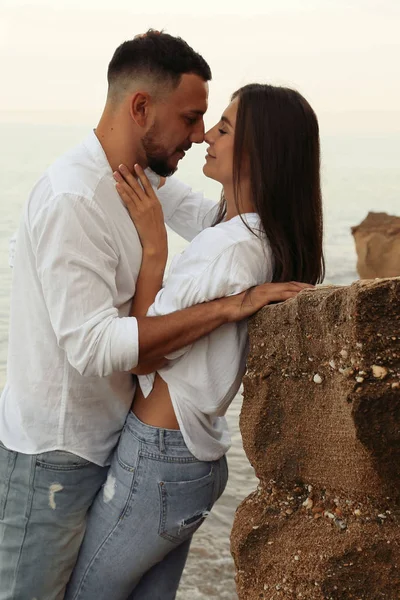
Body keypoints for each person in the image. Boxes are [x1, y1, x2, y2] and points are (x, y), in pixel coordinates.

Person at [0, 33, 300, 600]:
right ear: (142, 107)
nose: (198, 134)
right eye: (191, 118)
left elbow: (220, 220)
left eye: (211, 123)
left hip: (114, 440)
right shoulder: (76, 198)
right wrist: (226, 302)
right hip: (56, 456)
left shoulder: (141, 182)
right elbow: (93, 348)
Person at [65, 83, 324, 600]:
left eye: (222, 129)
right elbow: (186, 205)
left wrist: (154, 249)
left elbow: (146, 350)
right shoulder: (258, 234)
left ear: (258, 152)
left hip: (159, 454)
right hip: (192, 457)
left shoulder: (227, 250)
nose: (205, 135)